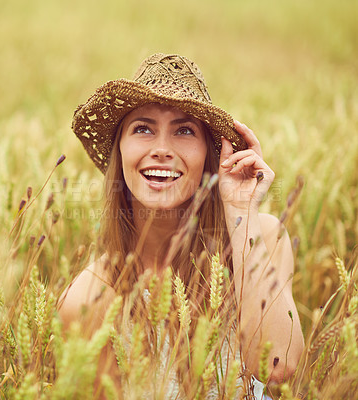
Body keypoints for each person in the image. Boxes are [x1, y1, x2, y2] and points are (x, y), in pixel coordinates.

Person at [59, 53, 304, 398]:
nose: (162, 149)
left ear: (210, 154)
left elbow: (277, 366)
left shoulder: (261, 236)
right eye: (142, 129)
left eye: (184, 130)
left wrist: (241, 211)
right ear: (121, 149)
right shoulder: (93, 297)